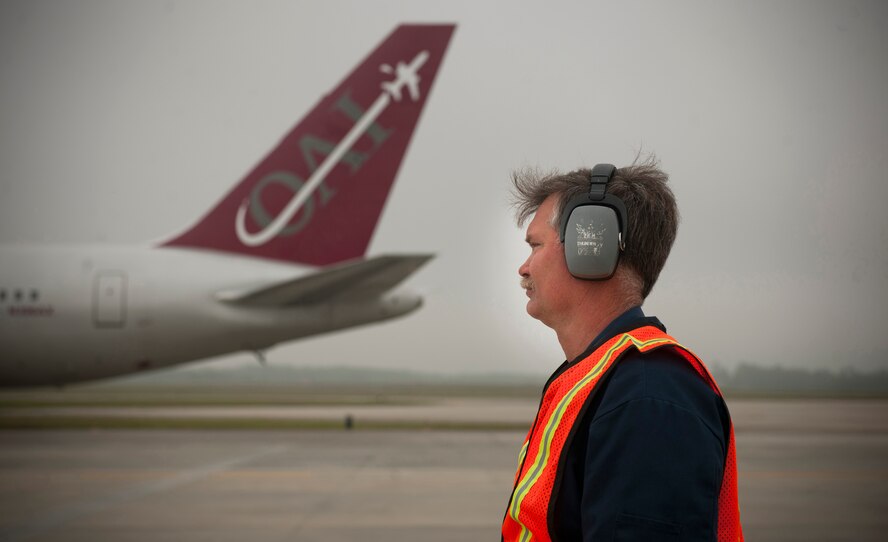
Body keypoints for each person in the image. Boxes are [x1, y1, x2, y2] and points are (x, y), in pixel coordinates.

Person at [501, 158, 743, 541]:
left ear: (590, 245)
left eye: (535, 245)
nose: (523, 268)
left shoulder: (649, 397)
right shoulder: (608, 380)